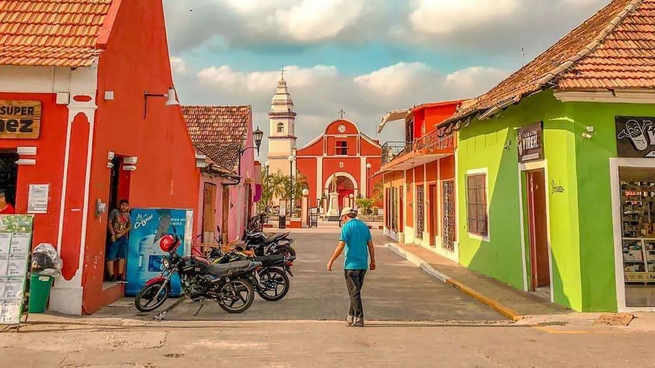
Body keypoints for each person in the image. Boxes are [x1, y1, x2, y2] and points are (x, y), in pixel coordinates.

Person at [327, 207, 376, 327]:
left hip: (351, 265)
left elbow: (341, 245)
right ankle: (350, 317)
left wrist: (331, 261)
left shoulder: (347, 227)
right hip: (363, 265)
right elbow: (370, 245)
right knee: (355, 292)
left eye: (342, 218)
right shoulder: (364, 226)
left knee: (354, 293)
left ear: (345, 217)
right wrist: (373, 261)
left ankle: (359, 317)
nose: (342, 221)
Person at [106, 199, 131, 282]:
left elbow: (130, 226)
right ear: (120, 205)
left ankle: (120, 275)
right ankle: (111, 275)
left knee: (122, 256)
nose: (124, 207)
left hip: (123, 237)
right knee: (111, 256)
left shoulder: (128, 215)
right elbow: (109, 222)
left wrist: (122, 233)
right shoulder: (115, 212)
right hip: (115, 237)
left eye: (126, 205)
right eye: (122, 205)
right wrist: (113, 234)